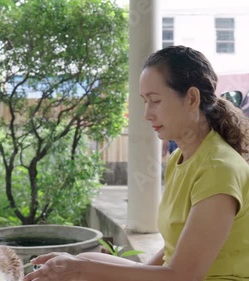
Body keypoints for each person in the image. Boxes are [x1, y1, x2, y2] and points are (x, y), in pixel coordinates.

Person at [24, 46, 249, 281]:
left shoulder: (218, 169)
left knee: (82, 268)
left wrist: (82, 270)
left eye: (155, 101)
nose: (147, 114)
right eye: (145, 101)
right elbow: (176, 249)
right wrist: (81, 267)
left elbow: (183, 275)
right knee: (83, 262)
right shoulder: (179, 159)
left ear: (192, 98)